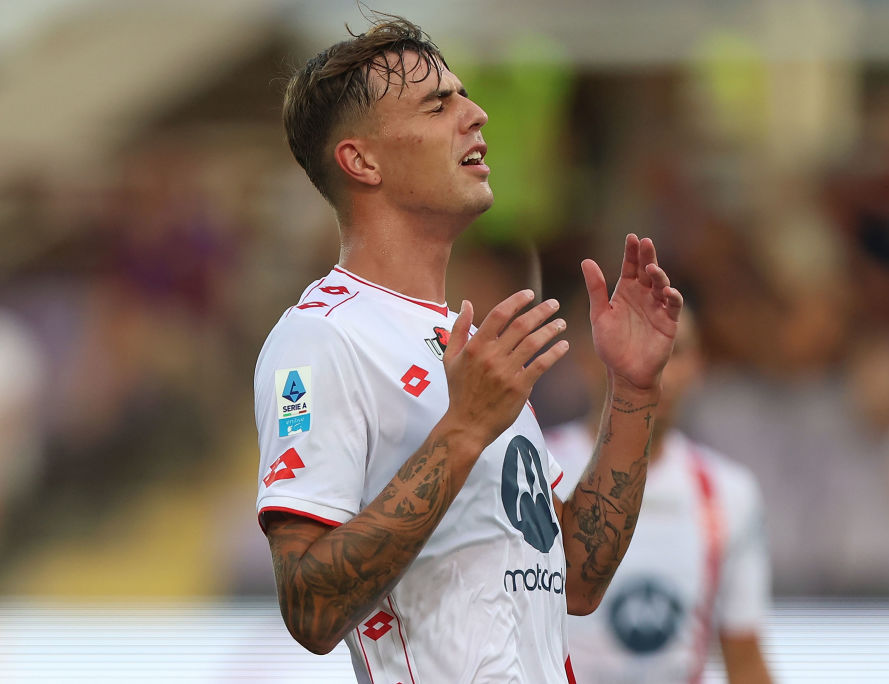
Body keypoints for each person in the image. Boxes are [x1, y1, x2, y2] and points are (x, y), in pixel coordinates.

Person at [252, 16, 684, 683]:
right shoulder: (323, 337)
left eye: (463, 95)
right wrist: (462, 429)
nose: (477, 115)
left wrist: (632, 391)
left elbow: (574, 577)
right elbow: (309, 609)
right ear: (361, 160)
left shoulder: (464, 342)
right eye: (438, 104)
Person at [544, 307, 772, 683]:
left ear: (699, 365)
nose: (653, 364)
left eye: (674, 352)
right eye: (631, 345)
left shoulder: (731, 492)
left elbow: (744, 657)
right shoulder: (535, 465)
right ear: (588, 358)